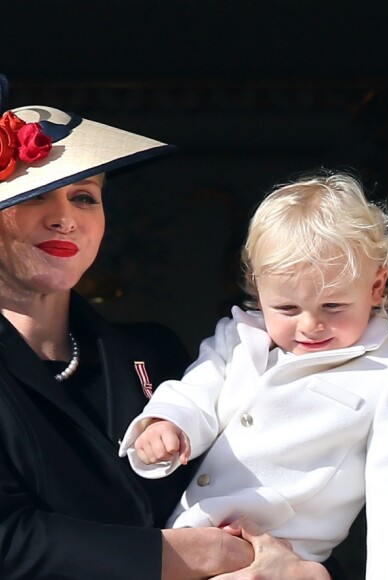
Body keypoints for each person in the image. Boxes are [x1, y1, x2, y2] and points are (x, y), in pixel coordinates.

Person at [0, 75, 340, 580]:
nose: (65, 219)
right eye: (35, 196)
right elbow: (11, 541)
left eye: (85, 197)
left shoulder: (155, 352)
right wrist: (209, 554)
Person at [119, 170, 388, 579]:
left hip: (275, 560)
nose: (310, 326)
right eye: (287, 309)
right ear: (256, 285)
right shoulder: (237, 337)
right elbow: (197, 389)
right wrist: (167, 422)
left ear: (376, 287)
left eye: (333, 307)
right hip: (187, 539)